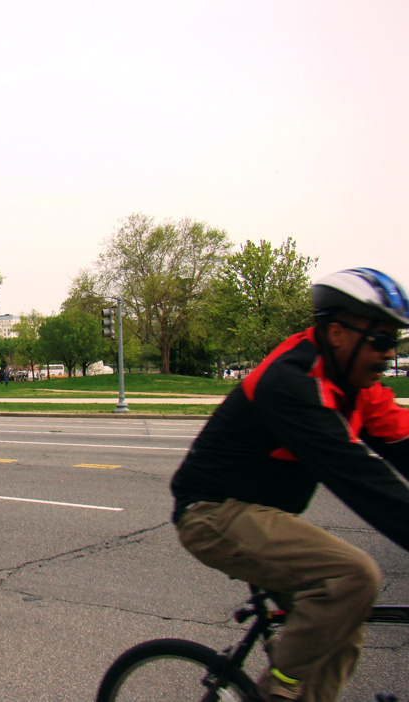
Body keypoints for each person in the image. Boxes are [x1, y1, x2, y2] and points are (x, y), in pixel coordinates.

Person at [171, 268, 409, 702]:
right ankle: (278, 693)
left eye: (395, 342)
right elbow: (362, 479)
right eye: (380, 340)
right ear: (338, 332)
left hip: (264, 515)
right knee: (353, 576)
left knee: (342, 629)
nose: (388, 354)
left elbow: (404, 442)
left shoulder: (358, 384)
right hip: (212, 513)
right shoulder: (292, 383)